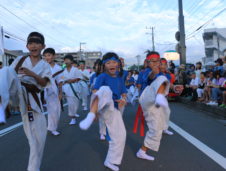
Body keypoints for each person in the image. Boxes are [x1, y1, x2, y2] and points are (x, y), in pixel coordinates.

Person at [10, 32, 52, 171]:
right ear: (27, 46)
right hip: (20, 95)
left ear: (43, 46)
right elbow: (9, 76)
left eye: (37, 43)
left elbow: (45, 83)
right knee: (33, 141)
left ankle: (34, 168)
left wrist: (31, 73)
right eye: (31, 43)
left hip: (34, 101)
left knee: (40, 137)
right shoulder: (20, 60)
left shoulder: (45, 65)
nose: (33, 45)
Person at [79, 52, 127, 171]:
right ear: (104, 65)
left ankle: (111, 161)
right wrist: (94, 111)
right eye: (108, 62)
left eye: (114, 62)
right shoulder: (102, 77)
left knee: (121, 135)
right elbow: (95, 91)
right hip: (102, 104)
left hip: (114, 108)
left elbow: (124, 93)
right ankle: (90, 115)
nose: (112, 64)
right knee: (105, 90)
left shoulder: (120, 78)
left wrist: (123, 100)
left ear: (118, 64)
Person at [136, 51, 170, 161]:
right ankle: (160, 97)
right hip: (146, 97)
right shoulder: (146, 71)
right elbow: (150, 77)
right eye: (153, 61)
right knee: (161, 79)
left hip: (154, 102)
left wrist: (176, 88)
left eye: (158, 61)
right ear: (148, 62)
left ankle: (142, 151)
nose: (156, 63)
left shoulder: (162, 74)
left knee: (156, 129)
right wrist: (154, 73)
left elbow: (167, 84)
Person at [43, 48, 63, 136]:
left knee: (56, 111)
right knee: (50, 111)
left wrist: (60, 93)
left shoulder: (59, 68)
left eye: (49, 55)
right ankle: (51, 128)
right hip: (44, 91)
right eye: (45, 56)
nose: (47, 57)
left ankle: (52, 127)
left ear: (54, 56)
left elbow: (60, 82)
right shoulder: (42, 67)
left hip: (54, 91)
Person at [61, 55, 82, 125]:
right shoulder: (63, 70)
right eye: (65, 60)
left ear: (71, 61)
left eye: (68, 60)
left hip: (75, 88)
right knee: (70, 104)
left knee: (76, 103)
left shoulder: (75, 69)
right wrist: (65, 82)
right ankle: (72, 118)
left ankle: (74, 113)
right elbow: (62, 79)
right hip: (67, 89)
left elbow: (79, 78)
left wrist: (72, 80)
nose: (66, 61)